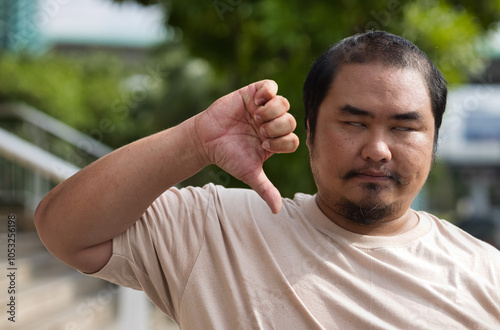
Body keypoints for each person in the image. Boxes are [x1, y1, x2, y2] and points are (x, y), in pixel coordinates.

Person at [35, 31, 500, 329]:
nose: (378, 148)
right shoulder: (215, 229)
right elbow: (64, 230)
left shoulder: (486, 277)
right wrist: (195, 141)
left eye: (403, 127)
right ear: (312, 132)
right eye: (354, 122)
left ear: (434, 143)